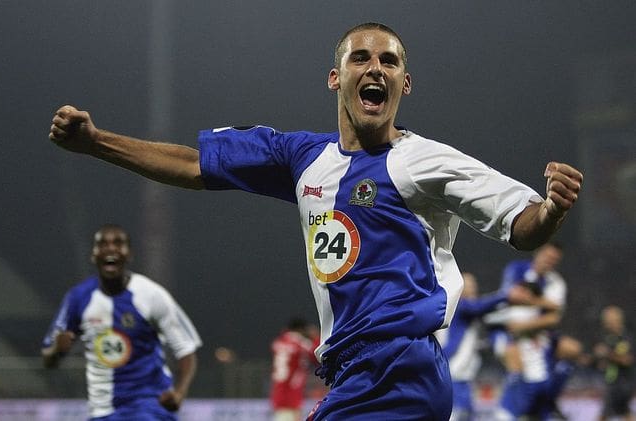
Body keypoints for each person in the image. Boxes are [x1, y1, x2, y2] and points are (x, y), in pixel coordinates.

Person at [47, 22, 583, 420]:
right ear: (336, 77)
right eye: (361, 58)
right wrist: (96, 143)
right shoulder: (302, 159)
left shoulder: (425, 161)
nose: (375, 68)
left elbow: (522, 224)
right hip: (354, 373)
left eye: (389, 62)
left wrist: (553, 208)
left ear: (405, 83)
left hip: (400, 368)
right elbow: (193, 163)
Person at [41, 224, 202, 420]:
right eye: (103, 244)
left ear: (128, 254)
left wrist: (179, 393)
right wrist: (57, 350)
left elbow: (186, 350)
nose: (111, 249)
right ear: (94, 255)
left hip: (148, 404)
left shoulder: (151, 295)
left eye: (118, 243)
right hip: (101, 411)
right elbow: (48, 360)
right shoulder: (77, 298)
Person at [486, 242, 582, 420]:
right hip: (504, 329)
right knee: (516, 363)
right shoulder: (517, 269)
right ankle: (508, 411)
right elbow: (512, 298)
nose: (550, 261)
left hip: (532, 331)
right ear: (538, 252)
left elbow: (554, 317)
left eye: (555, 259)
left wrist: (525, 322)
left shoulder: (556, 282)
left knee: (572, 350)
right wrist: (545, 303)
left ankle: (546, 404)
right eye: (548, 256)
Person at [435, 272, 535, 421]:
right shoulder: (459, 305)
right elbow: (481, 306)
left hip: (463, 375)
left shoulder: (473, 312)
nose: (473, 288)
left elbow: (490, 312)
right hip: (452, 371)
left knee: (465, 414)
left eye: (474, 284)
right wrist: (506, 295)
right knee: (456, 414)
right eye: (468, 284)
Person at [270, 317, 320, 421]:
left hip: (278, 391)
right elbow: (318, 354)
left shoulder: (279, 341)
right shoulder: (300, 343)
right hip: (291, 393)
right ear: (301, 329)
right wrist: (315, 337)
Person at [593, 305, 634, 421]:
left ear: (618, 320)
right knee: (625, 412)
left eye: (609, 320)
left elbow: (627, 360)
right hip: (612, 382)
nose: (606, 323)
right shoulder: (608, 338)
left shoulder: (626, 338)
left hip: (622, 384)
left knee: (604, 415)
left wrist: (607, 353)